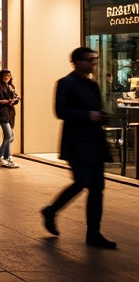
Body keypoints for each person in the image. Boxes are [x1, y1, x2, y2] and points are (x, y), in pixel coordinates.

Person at [41, 46, 116, 249]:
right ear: (77, 62)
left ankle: (94, 232)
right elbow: (60, 110)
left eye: (95, 60)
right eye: (90, 60)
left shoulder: (92, 85)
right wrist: (88, 115)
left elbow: (96, 107)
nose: (93, 64)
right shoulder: (65, 83)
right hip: (76, 143)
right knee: (83, 181)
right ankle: (51, 210)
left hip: (95, 142)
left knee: (97, 188)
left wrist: (102, 114)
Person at [0, 69, 20, 168]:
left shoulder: (11, 86)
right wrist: (7, 101)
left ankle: (8, 157)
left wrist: (15, 100)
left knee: (10, 137)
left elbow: (15, 98)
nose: (7, 77)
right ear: (1, 76)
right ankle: (1, 155)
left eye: (9, 75)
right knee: (8, 135)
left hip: (10, 114)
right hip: (2, 114)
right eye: (5, 75)